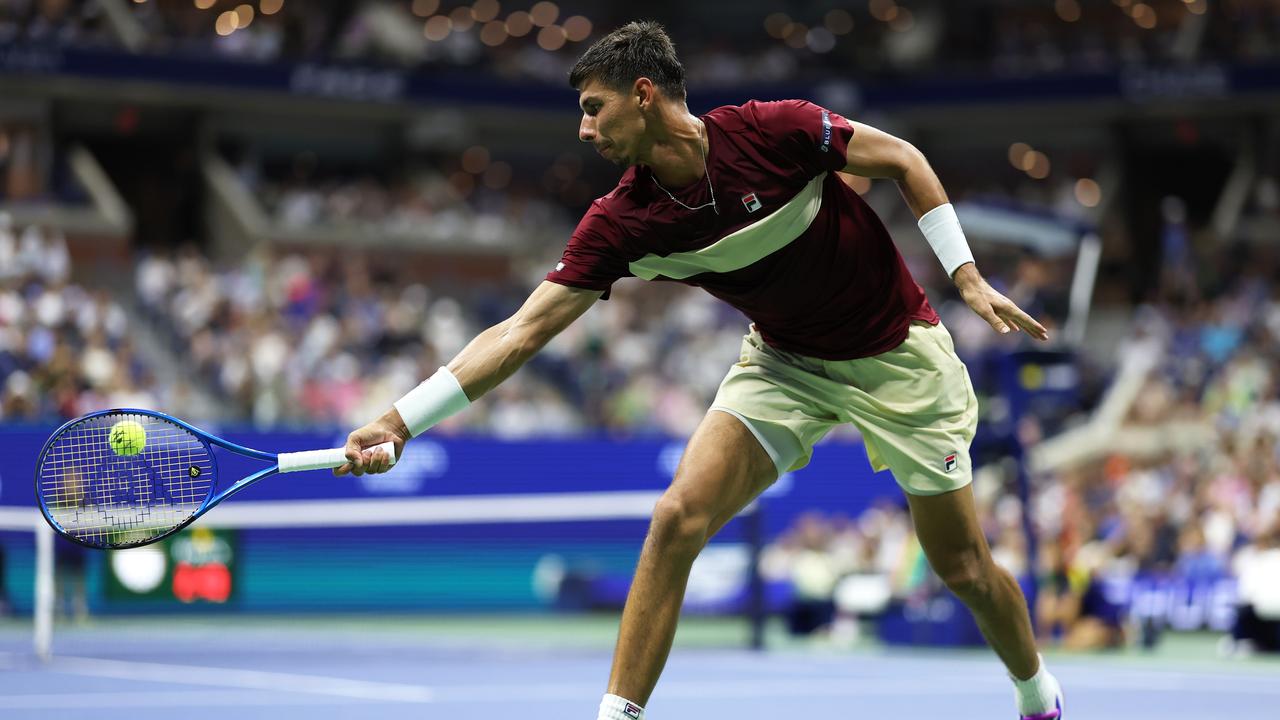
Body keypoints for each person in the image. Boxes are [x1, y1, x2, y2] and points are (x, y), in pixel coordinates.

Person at [335, 21, 1064, 720]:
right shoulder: (622, 221)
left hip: (897, 355)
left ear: (645, 93)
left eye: (594, 109)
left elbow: (903, 158)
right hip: (783, 365)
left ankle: (1035, 693)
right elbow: (522, 331)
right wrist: (400, 422)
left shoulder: (774, 130)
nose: (584, 130)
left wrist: (965, 276)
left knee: (962, 568)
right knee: (675, 518)